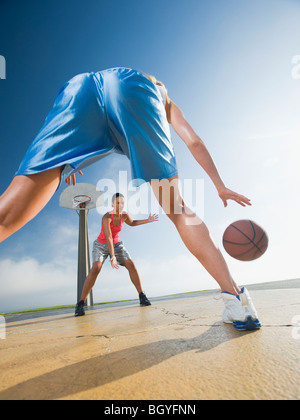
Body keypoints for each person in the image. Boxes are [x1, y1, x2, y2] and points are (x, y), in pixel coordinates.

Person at [0, 67, 260, 331]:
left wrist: (68, 160)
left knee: (8, 214)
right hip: (134, 90)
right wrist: (219, 185)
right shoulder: (163, 94)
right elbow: (193, 141)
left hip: (77, 89)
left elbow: (130, 223)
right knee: (178, 209)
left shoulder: (120, 215)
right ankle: (236, 301)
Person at [75, 192, 156, 317]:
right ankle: (80, 303)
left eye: (123, 203)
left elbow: (133, 223)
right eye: (118, 203)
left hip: (117, 244)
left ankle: (142, 296)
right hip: (101, 245)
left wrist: (148, 220)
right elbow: (108, 238)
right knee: (95, 268)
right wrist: (112, 257)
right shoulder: (106, 217)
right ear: (113, 203)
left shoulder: (124, 215)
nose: (121, 205)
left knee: (131, 265)